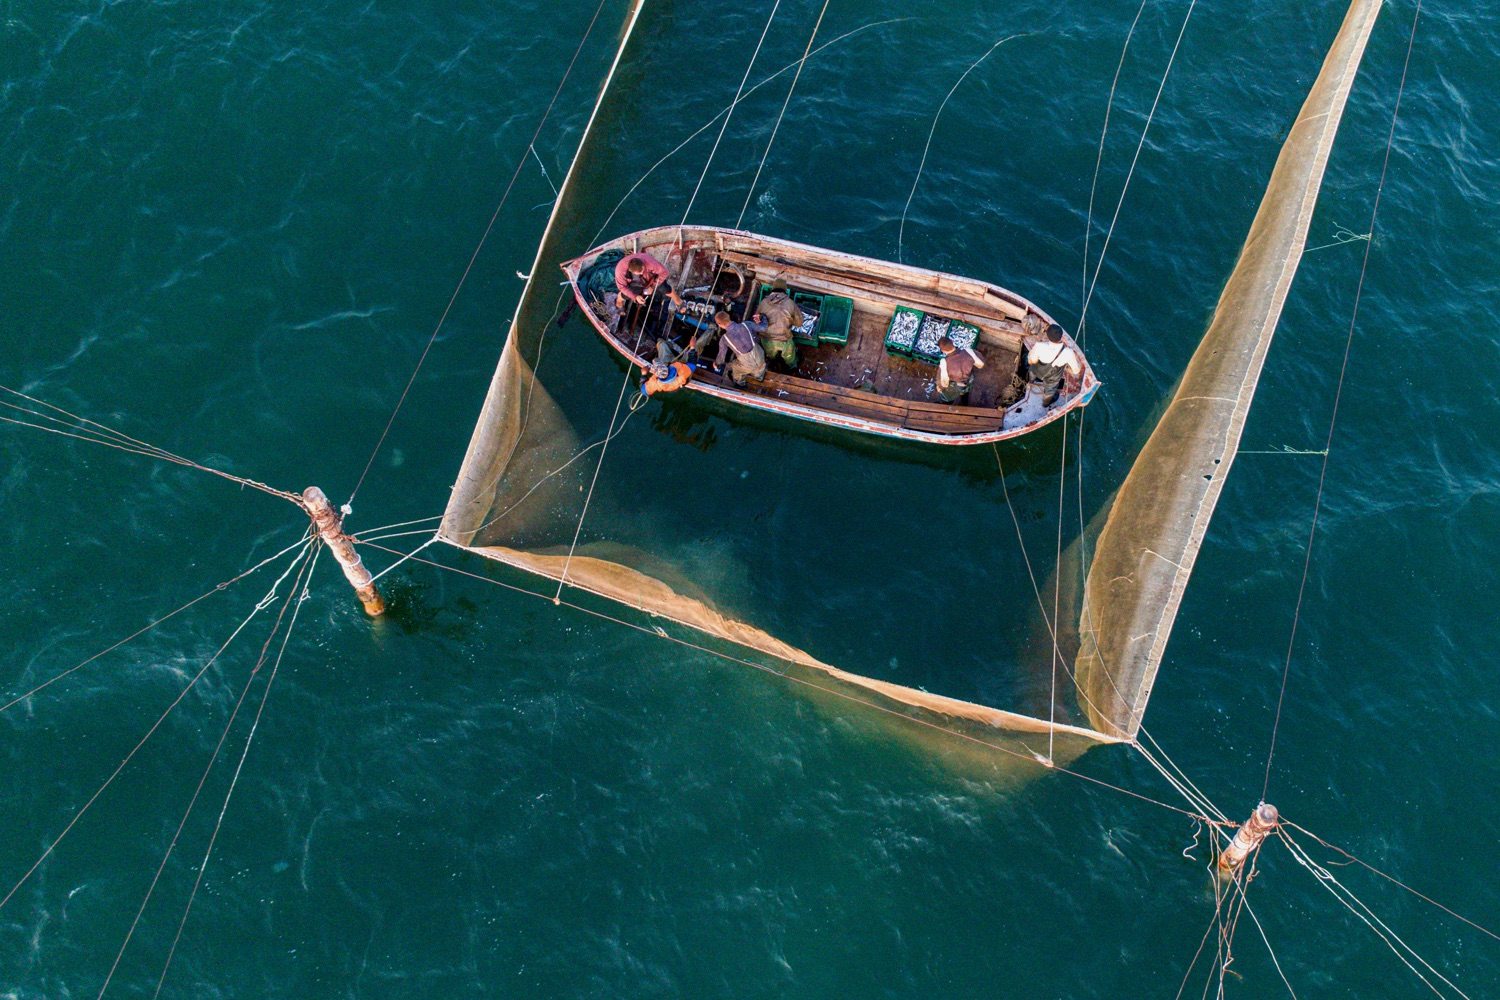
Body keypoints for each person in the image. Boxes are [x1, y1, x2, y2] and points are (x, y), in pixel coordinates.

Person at [755, 277, 804, 370]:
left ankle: (772, 362)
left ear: (773, 289)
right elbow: (799, 323)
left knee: (770, 354)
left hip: (766, 338)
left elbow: (757, 320)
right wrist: (790, 321)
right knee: (789, 357)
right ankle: (792, 367)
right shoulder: (790, 303)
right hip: (784, 339)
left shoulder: (764, 302)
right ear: (785, 290)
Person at [1026, 323, 1081, 405]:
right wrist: (1069, 368)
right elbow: (1076, 371)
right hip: (1052, 378)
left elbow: (1031, 360)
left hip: (1037, 370)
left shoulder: (1039, 346)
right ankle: (1045, 403)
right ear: (1061, 337)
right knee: (1050, 390)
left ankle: (1030, 381)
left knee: (1032, 371)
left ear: (1047, 335)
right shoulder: (1068, 353)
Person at [711, 310, 767, 387]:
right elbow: (764, 328)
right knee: (760, 367)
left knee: (735, 367)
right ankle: (759, 377)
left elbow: (721, 357)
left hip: (747, 364)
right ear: (729, 317)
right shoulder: (747, 324)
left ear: (719, 325)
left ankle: (740, 383)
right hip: (759, 355)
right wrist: (762, 317)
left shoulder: (724, 339)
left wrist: (716, 364)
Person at [614, 252, 684, 312]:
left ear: (642, 264)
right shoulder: (620, 270)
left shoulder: (650, 263)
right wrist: (635, 297)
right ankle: (619, 303)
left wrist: (653, 286)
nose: (641, 273)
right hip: (634, 282)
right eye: (639, 273)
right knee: (625, 295)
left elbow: (664, 272)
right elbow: (622, 287)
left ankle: (678, 301)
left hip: (650, 278)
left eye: (642, 270)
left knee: (665, 288)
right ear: (630, 270)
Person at [936, 336, 985, 403]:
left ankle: (947, 407)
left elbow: (945, 384)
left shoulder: (944, 363)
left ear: (943, 351)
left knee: (947, 398)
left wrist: (939, 388)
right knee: (965, 394)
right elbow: (981, 365)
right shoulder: (968, 351)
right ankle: (964, 403)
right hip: (968, 382)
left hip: (955, 387)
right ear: (952, 341)